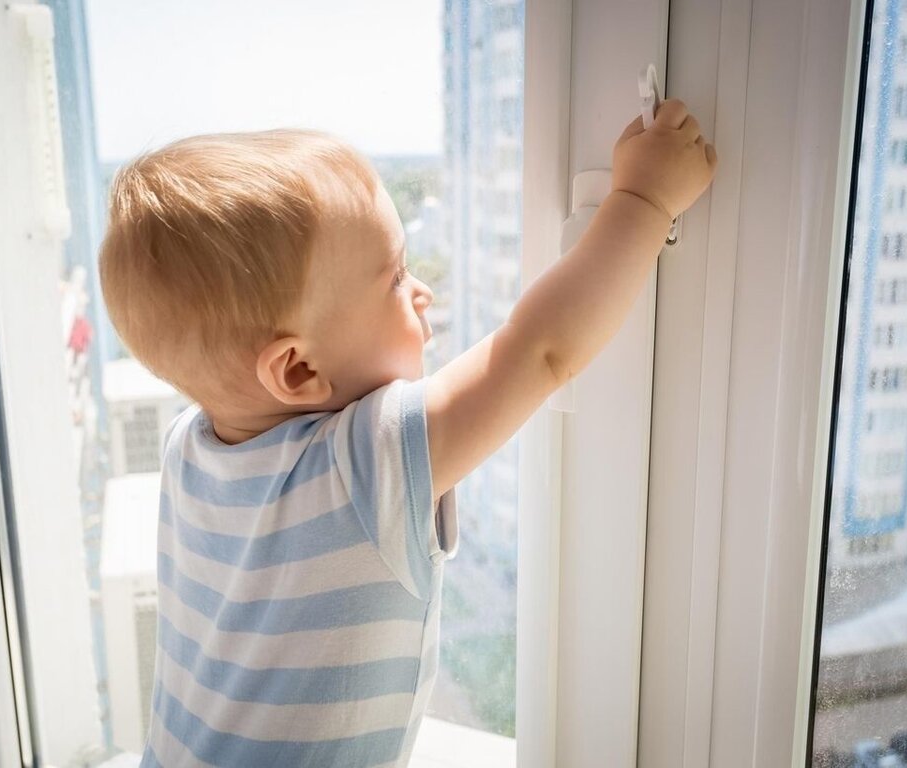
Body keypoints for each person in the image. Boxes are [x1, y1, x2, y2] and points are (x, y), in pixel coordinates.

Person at [98, 100, 717, 767]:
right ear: (298, 369)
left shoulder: (187, 447)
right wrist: (643, 201)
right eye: (395, 277)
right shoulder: (367, 464)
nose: (423, 292)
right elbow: (542, 351)